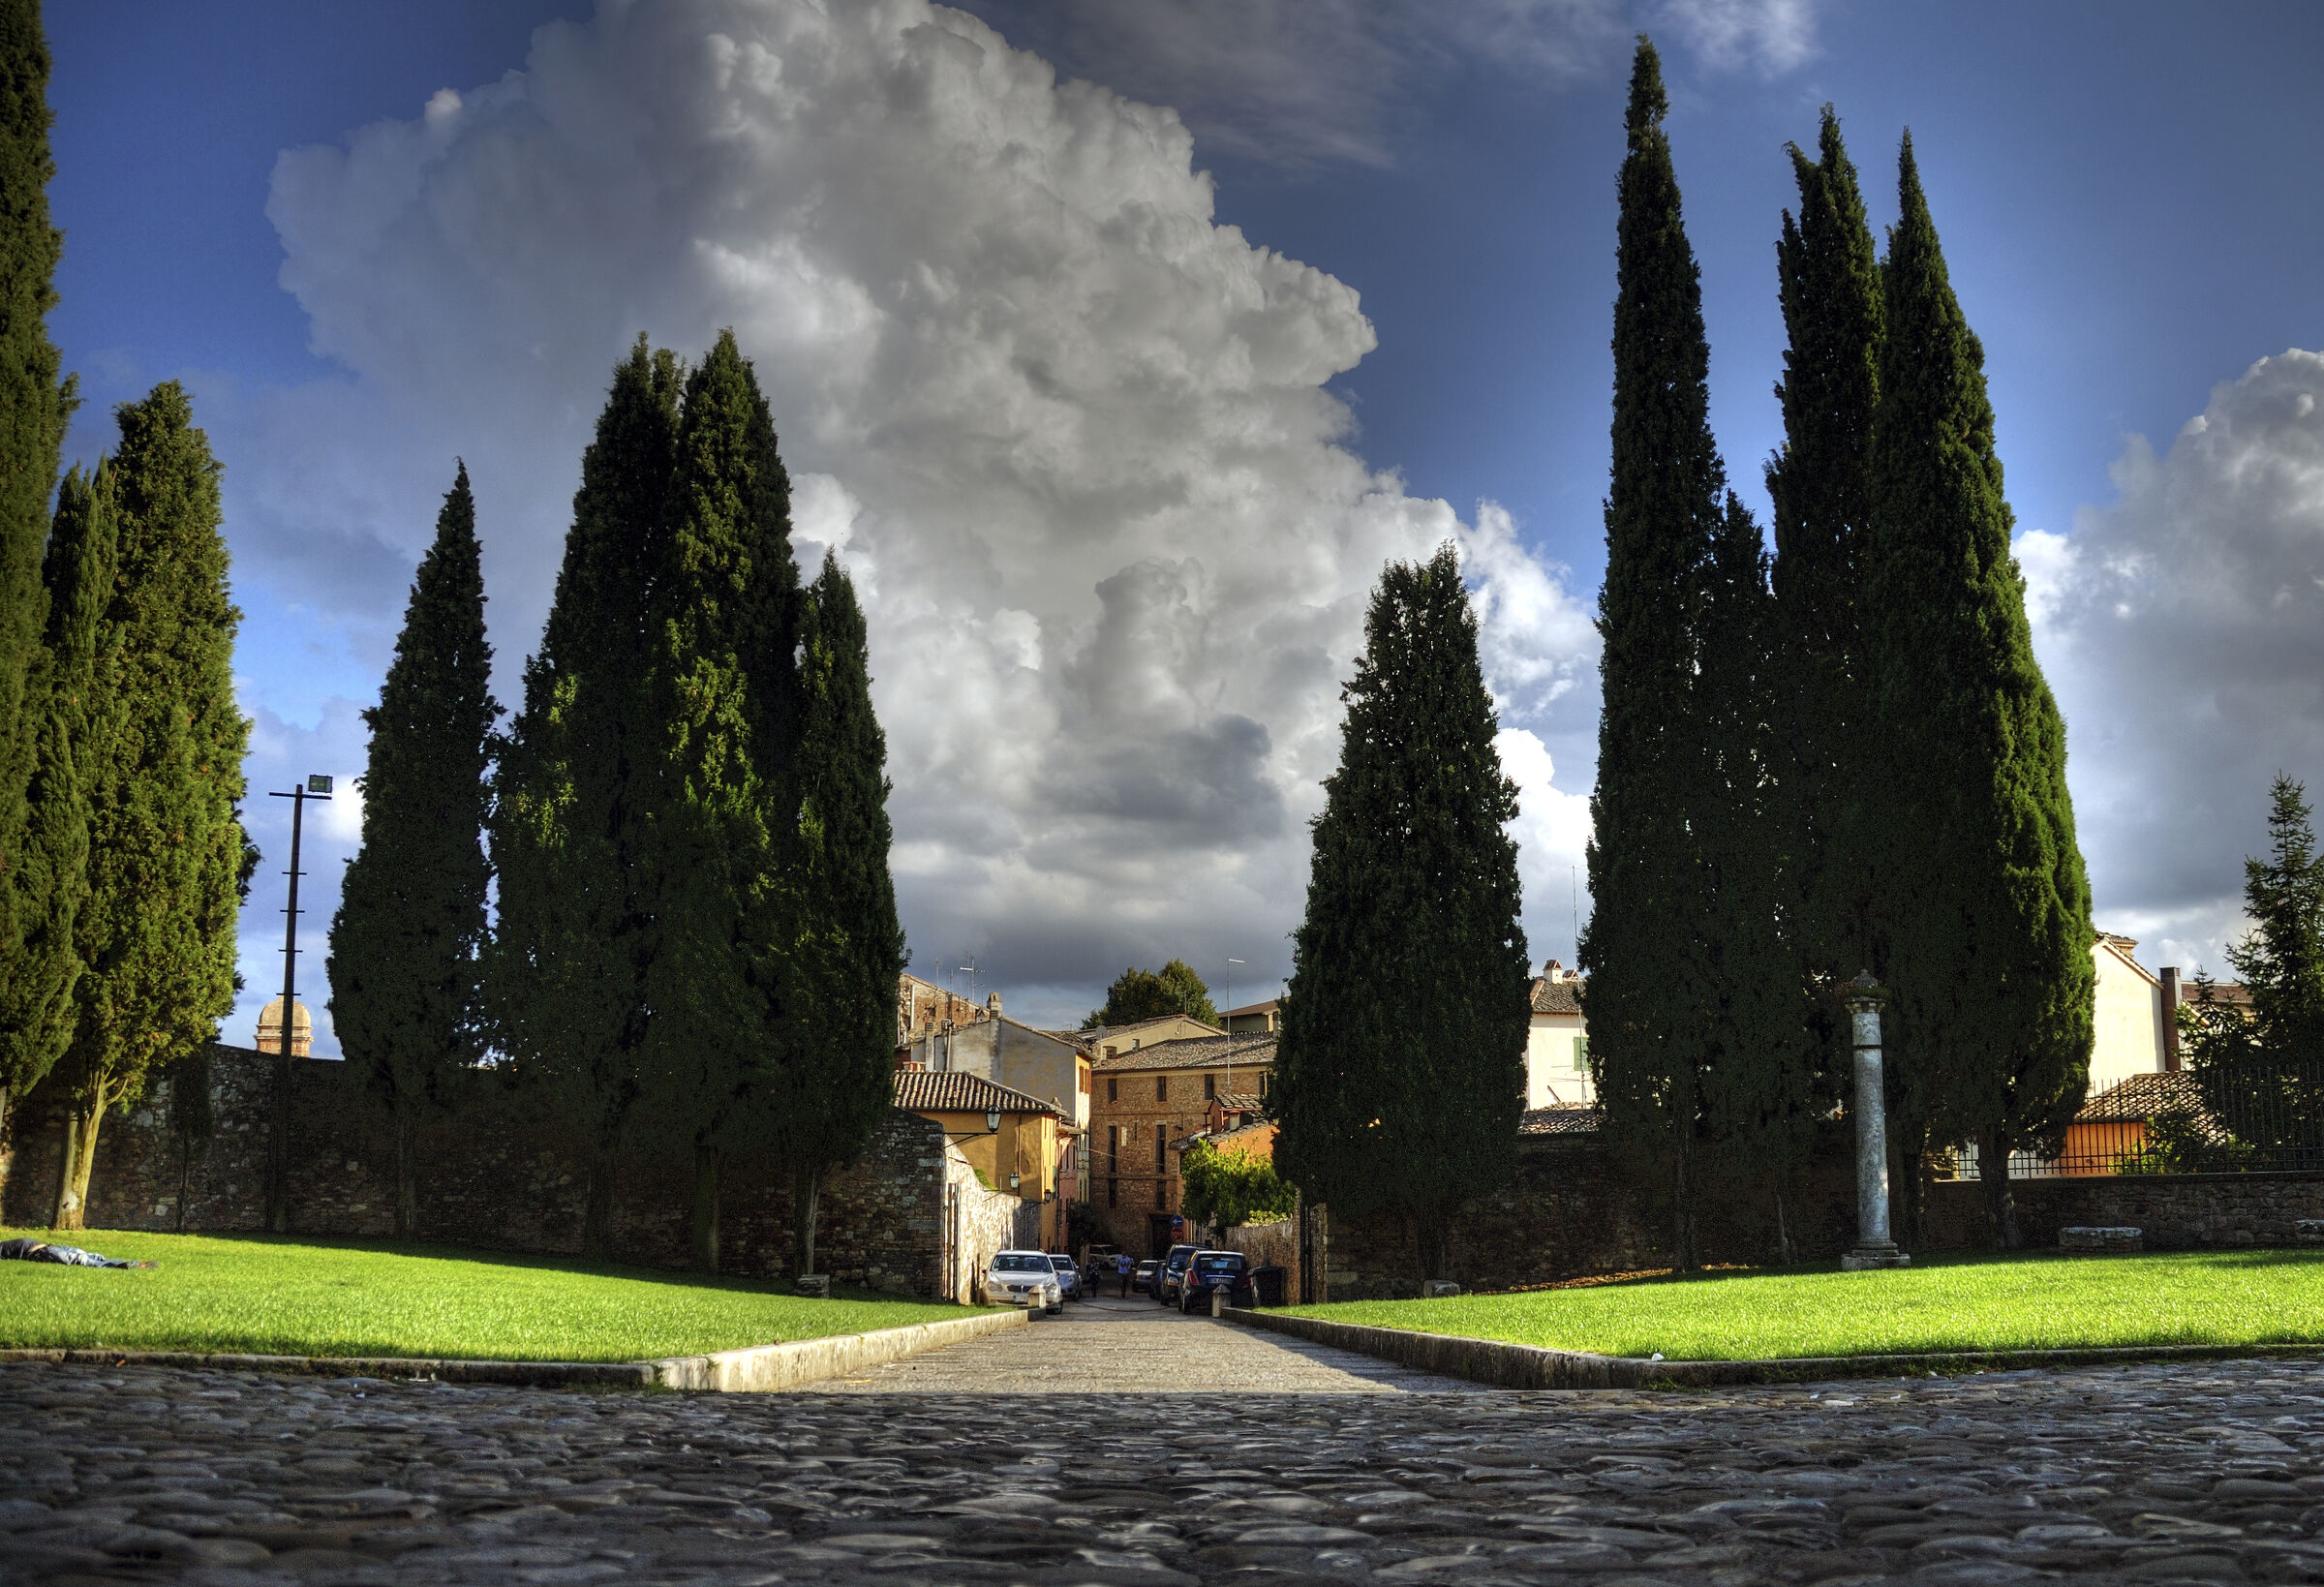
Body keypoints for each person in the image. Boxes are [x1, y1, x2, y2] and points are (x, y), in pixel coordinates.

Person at [0, 1237, 155, 1268]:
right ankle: (126, 1265)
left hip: (51, 1247)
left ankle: (135, 1263)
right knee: (82, 1259)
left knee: (94, 1255)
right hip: (42, 1253)